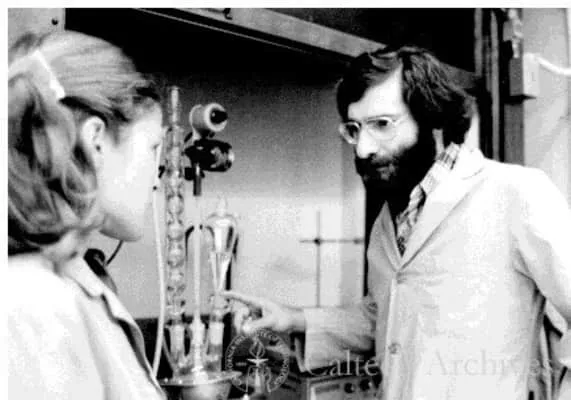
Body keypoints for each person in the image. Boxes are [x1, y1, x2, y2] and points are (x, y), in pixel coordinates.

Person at [224, 45, 571, 400]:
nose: (363, 149)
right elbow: (387, 318)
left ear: (433, 119)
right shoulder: (390, 218)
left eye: (382, 125)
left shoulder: (516, 193)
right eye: (354, 129)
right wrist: (295, 318)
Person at [8, 30, 166, 399]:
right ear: (95, 141)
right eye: (152, 148)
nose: (157, 179)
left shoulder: (71, 278)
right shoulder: (36, 304)